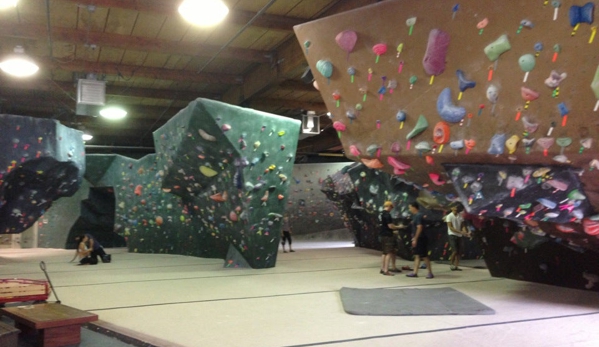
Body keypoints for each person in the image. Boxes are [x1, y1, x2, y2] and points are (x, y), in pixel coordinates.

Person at [406, 202, 434, 279]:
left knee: (424, 256)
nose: (409, 209)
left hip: (421, 238)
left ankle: (430, 272)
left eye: (410, 207)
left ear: (414, 207)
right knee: (417, 255)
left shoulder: (418, 215)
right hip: (418, 238)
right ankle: (415, 272)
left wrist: (415, 238)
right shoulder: (415, 216)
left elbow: (419, 227)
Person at [379, 201, 407, 276]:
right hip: (388, 235)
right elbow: (390, 226)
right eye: (391, 207)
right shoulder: (387, 215)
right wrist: (399, 227)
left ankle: (382, 268)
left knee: (384, 252)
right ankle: (386, 270)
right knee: (389, 252)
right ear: (389, 206)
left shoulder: (381, 213)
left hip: (382, 234)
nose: (391, 209)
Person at [445, 204, 472, 271]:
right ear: (451, 208)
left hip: (459, 235)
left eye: (456, 206)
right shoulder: (449, 216)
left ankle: (456, 266)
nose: (456, 208)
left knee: (459, 252)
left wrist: (465, 232)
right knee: (455, 250)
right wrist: (460, 232)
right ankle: (451, 264)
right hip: (452, 234)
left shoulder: (460, 216)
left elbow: (463, 225)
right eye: (454, 206)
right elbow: (451, 227)